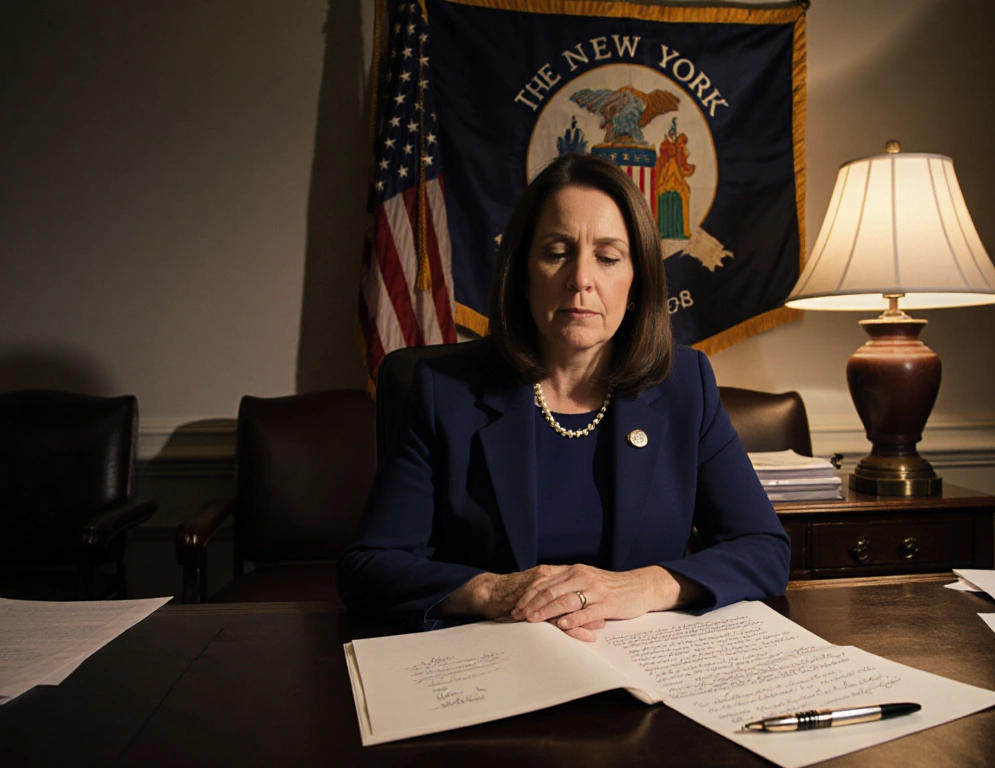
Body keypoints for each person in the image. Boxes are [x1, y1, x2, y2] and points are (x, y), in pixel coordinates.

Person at [338, 153, 790, 640]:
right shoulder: (444, 391)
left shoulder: (685, 386)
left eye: (608, 257)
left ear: (636, 284)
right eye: (557, 251)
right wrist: (492, 591)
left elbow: (764, 549)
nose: (581, 278)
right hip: (497, 663)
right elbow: (370, 567)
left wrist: (642, 587)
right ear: (523, 272)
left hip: (645, 668)